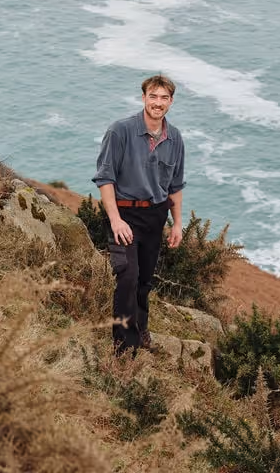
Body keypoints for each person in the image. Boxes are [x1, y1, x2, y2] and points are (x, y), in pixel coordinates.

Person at [93, 75, 185, 354]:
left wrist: (177, 223)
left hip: (155, 217)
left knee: (145, 279)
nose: (158, 103)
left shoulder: (175, 138)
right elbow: (105, 178)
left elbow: (175, 185)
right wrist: (115, 219)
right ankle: (123, 346)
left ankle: (140, 330)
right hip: (125, 215)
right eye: (153, 96)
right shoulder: (119, 131)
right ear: (143, 97)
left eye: (164, 98)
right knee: (128, 276)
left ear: (171, 101)